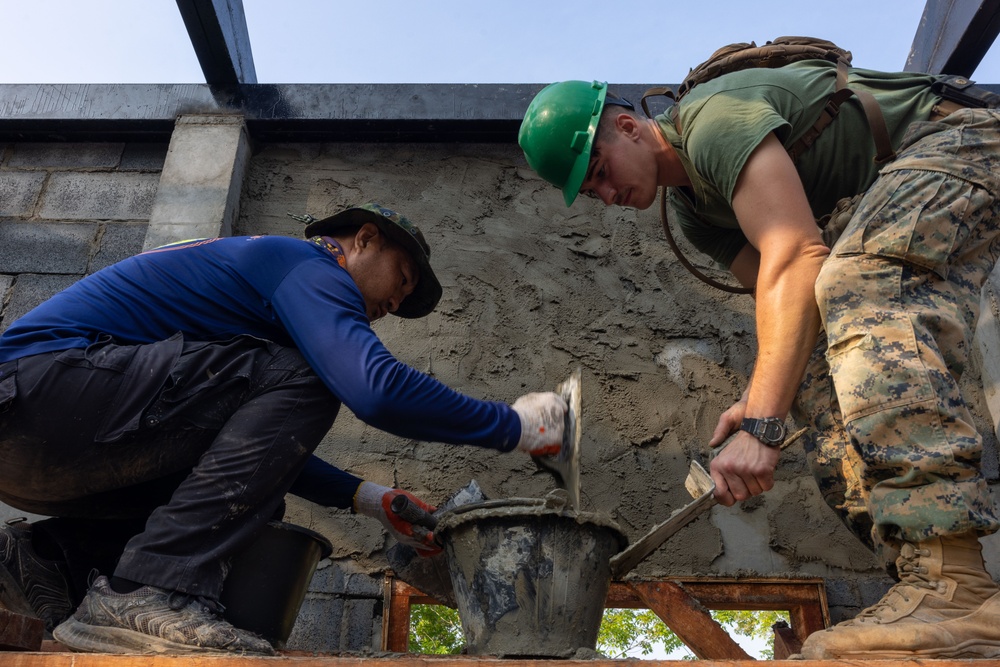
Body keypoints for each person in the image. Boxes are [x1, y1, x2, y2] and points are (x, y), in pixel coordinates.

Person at [518, 61, 1000, 659]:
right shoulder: (696, 216)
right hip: (898, 192)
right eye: (592, 193)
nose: (609, 195)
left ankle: (953, 575)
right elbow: (790, 308)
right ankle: (924, 578)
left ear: (629, 127)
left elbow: (799, 255)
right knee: (817, 372)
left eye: (600, 171)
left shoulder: (713, 123)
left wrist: (763, 429)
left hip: (963, 141)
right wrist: (757, 401)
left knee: (861, 286)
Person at [0, 202, 567, 656]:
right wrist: (515, 425)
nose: (396, 301)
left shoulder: (266, 287)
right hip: (40, 393)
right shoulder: (307, 265)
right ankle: (149, 591)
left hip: (41, 432)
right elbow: (374, 390)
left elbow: (248, 449)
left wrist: (368, 498)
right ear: (363, 239)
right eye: (402, 277)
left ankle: (49, 561)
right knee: (311, 377)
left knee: (257, 494)